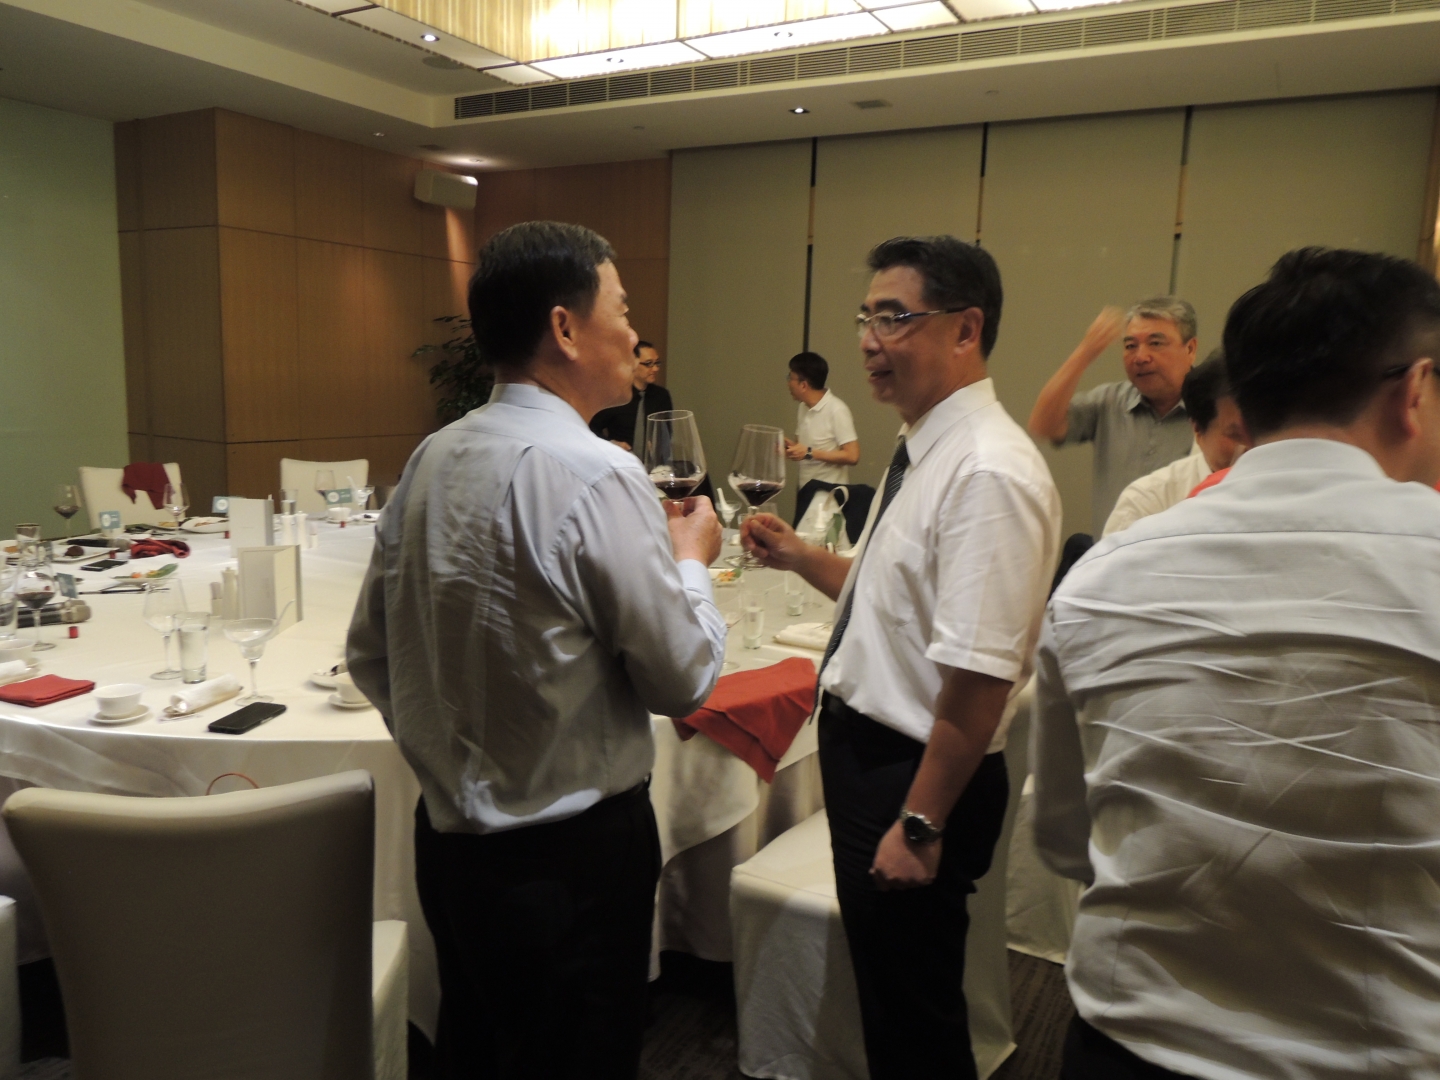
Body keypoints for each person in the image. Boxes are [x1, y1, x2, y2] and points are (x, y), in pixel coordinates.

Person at [1032, 246, 1440, 1080]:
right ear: (1416, 390)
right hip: (1377, 1051)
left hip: (1127, 1047)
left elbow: (1068, 841)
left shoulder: (1101, 577)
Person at [346, 221, 726, 1080]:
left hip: (450, 850)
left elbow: (370, 655)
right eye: (621, 310)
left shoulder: (430, 457)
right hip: (573, 863)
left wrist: (455, 760)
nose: (634, 332)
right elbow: (683, 680)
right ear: (565, 328)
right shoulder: (596, 472)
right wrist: (692, 563)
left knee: (478, 1051)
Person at [742, 235, 1060, 1080]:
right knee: (891, 998)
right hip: (877, 759)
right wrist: (799, 558)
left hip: (914, 772)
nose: (868, 342)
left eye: (893, 318)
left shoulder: (988, 471)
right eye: (865, 318)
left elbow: (980, 677)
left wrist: (920, 825)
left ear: (966, 329)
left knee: (914, 1018)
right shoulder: (924, 445)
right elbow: (888, 595)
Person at [1029, 297, 1199, 529]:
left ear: (1190, 349)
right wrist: (1085, 352)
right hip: (1112, 549)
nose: (1140, 357)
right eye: (1130, 346)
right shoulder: (1110, 401)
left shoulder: (1215, 410)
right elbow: (1043, 425)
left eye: (1156, 343)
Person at [1101, 350, 1248, 535]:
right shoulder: (1148, 503)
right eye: (1236, 435)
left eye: (1263, 430)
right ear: (1197, 430)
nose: (1252, 446)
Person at [785, 350, 860, 488]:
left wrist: (809, 452)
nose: (788, 383)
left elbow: (852, 456)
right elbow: (804, 449)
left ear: (803, 385)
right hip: (806, 491)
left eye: (790, 378)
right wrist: (789, 447)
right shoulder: (803, 407)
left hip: (829, 494)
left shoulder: (837, 409)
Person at [589, 339, 671, 454]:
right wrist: (611, 443)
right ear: (632, 363)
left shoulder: (661, 396)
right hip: (621, 459)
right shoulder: (615, 395)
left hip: (653, 462)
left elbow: (667, 432)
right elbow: (591, 428)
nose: (655, 368)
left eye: (657, 363)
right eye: (648, 364)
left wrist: (659, 445)